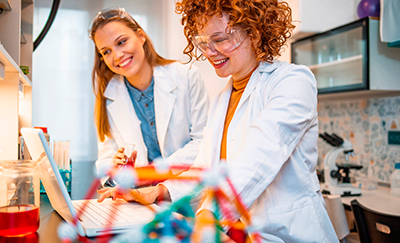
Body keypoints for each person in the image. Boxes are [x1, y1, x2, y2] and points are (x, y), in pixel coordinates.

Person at [169, 0, 338, 242]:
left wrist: (209, 216)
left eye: (220, 39)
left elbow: (260, 153)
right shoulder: (220, 101)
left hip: (289, 235)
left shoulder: (293, 81)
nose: (209, 52)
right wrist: (161, 192)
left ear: (255, 34)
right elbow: (204, 169)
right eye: (204, 43)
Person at [88, 7, 209, 196]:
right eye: (106, 51)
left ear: (141, 36)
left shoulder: (186, 75)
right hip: (138, 199)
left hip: (186, 197)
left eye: (121, 42)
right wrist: (116, 171)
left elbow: (203, 142)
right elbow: (105, 162)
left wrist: (152, 173)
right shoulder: (108, 96)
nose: (117, 55)